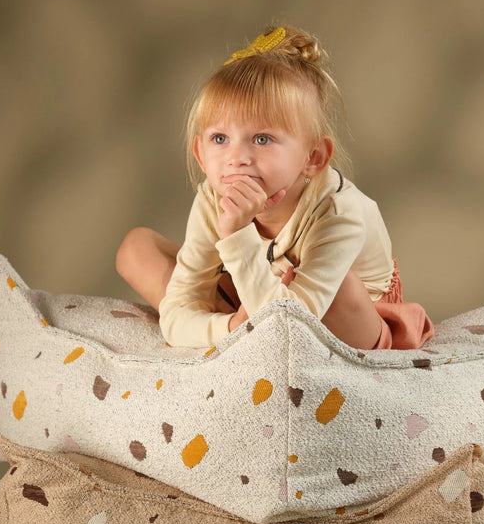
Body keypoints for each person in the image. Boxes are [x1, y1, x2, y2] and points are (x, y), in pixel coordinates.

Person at [115, 24, 434, 352]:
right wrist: (229, 327)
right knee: (137, 248)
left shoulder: (340, 212)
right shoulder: (213, 197)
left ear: (313, 157)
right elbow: (175, 314)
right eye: (220, 138)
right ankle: (244, 330)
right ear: (200, 154)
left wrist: (237, 233)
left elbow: (292, 323)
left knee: (344, 289)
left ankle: (252, 330)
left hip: (341, 319)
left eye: (262, 139)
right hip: (258, 293)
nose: (236, 158)